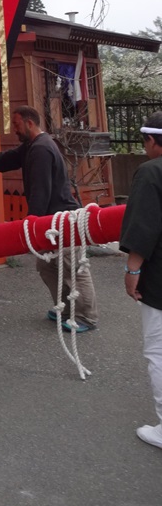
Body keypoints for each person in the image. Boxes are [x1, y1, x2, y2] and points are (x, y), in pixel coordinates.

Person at [0, 105, 98, 331]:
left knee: (73, 270)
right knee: (48, 267)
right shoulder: (31, 147)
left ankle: (86, 317)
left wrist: (31, 224)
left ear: (29, 123)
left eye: (16, 124)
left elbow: (40, 190)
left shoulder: (42, 148)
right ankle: (64, 308)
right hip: (48, 220)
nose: (14, 129)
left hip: (62, 219)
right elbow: (4, 160)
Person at [120, 111, 162, 449]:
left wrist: (133, 272)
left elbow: (144, 229)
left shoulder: (151, 172)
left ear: (151, 141)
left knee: (159, 351)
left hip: (161, 277)